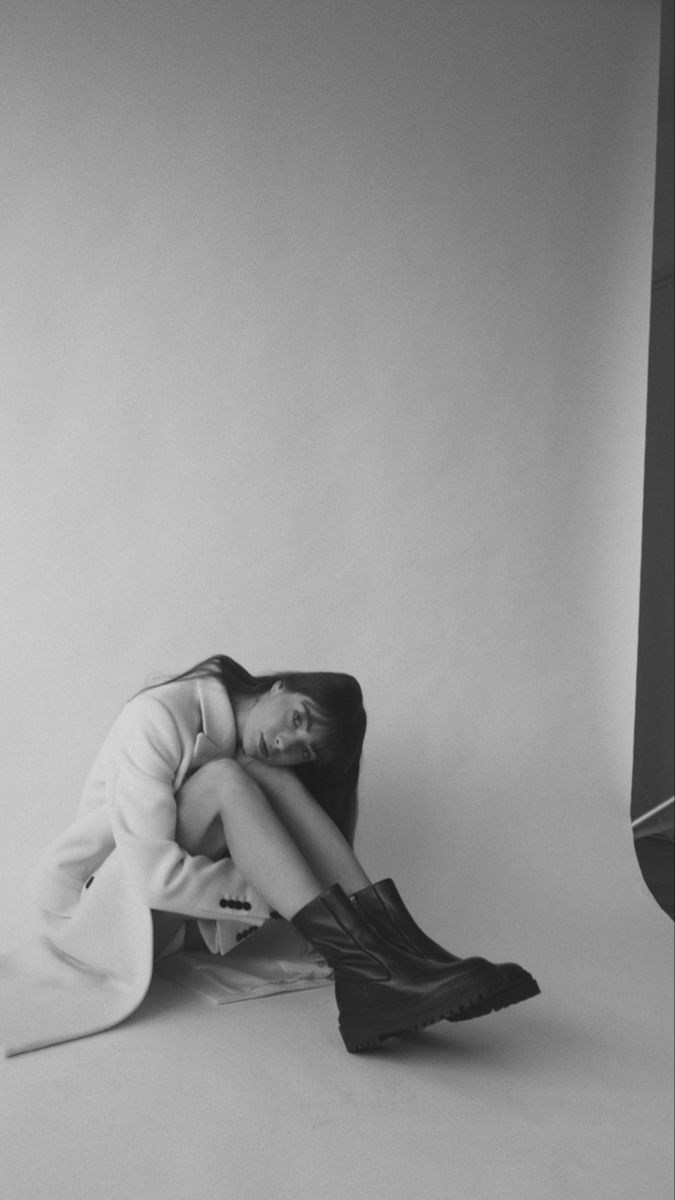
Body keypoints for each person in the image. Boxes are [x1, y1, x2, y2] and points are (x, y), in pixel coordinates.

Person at [30, 654, 539, 1054]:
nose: (287, 741)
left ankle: (400, 947)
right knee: (229, 776)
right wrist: (276, 893)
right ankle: (365, 961)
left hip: (156, 915)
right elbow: (154, 880)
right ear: (279, 685)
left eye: (306, 748)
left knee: (264, 772)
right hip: (91, 914)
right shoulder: (158, 716)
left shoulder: (252, 746)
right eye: (297, 718)